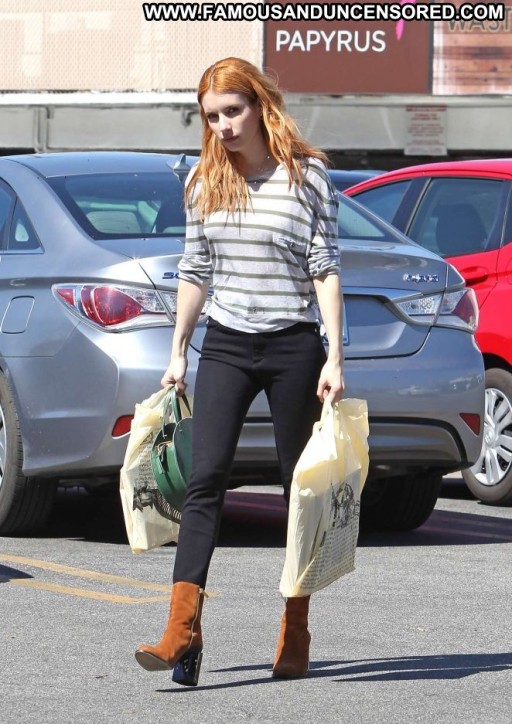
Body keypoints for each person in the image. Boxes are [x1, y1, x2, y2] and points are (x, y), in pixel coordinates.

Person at [135, 56, 345, 686]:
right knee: (204, 480)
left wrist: (335, 355)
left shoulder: (306, 177)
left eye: (232, 112)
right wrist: (178, 351)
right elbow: (194, 269)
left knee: (297, 490)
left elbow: (325, 266)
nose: (223, 126)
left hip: (293, 347)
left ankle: (295, 629)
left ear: (259, 106)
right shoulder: (204, 181)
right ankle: (182, 630)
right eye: (211, 117)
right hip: (226, 343)